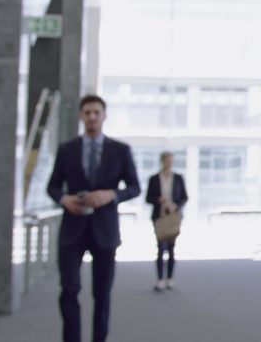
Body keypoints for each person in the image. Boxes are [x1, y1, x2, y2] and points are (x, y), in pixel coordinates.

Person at [47, 95, 141, 342]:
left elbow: (134, 187)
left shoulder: (120, 150)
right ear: (81, 116)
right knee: (69, 290)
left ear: (104, 116)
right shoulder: (67, 150)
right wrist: (64, 200)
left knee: (102, 294)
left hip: (105, 230)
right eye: (87, 112)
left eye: (96, 112)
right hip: (72, 230)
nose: (91, 116)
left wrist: (110, 194)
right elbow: (53, 187)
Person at [145, 151, 188, 291]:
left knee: (171, 248)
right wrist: (158, 200)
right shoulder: (154, 178)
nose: (170, 163)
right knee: (160, 247)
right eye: (167, 160)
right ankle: (159, 279)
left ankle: (170, 278)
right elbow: (148, 198)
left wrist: (176, 205)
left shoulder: (178, 178)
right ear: (162, 161)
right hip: (159, 217)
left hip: (174, 216)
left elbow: (184, 197)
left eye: (171, 160)